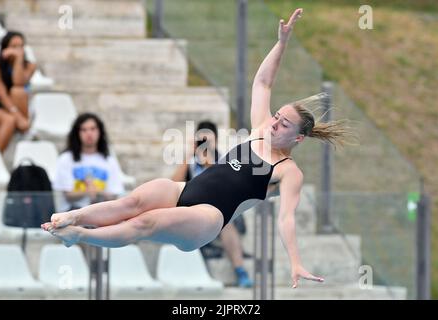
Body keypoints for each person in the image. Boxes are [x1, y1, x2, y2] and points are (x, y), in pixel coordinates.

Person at [43, 9, 351, 288]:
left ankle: (79, 235)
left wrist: (295, 261)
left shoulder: (287, 171)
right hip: (185, 189)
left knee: (143, 223)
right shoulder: (259, 129)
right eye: (278, 116)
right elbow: (263, 83)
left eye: (284, 124)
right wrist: (282, 43)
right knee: (134, 201)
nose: (275, 123)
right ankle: (73, 216)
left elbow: (286, 218)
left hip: (207, 218)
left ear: (297, 139)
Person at [172, 120, 253, 288]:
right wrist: (190, 156)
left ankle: (240, 270)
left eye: (208, 141)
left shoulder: (225, 160)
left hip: (218, 211)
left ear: (215, 141)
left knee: (226, 224)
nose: (204, 146)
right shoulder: (190, 162)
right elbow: (173, 184)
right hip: (194, 210)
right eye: (201, 141)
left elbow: (221, 186)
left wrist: (208, 160)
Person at [53, 113, 124, 213]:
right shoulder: (66, 159)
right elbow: (67, 195)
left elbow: (114, 194)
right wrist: (87, 191)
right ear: (77, 133)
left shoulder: (109, 161)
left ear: (100, 132)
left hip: (102, 213)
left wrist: (97, 192)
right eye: (84, 130)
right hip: (73, 213)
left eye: (93, 129)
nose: (89, 133)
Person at [0, 31, 35, 152]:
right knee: (8, 120)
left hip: (19, 106)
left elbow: (18, 82)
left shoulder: (30, 66)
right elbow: (1, 95)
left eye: (20, 46)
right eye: (14, 46)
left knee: (18, 91)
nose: (17, 50)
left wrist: (18, 59)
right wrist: (18, 117)